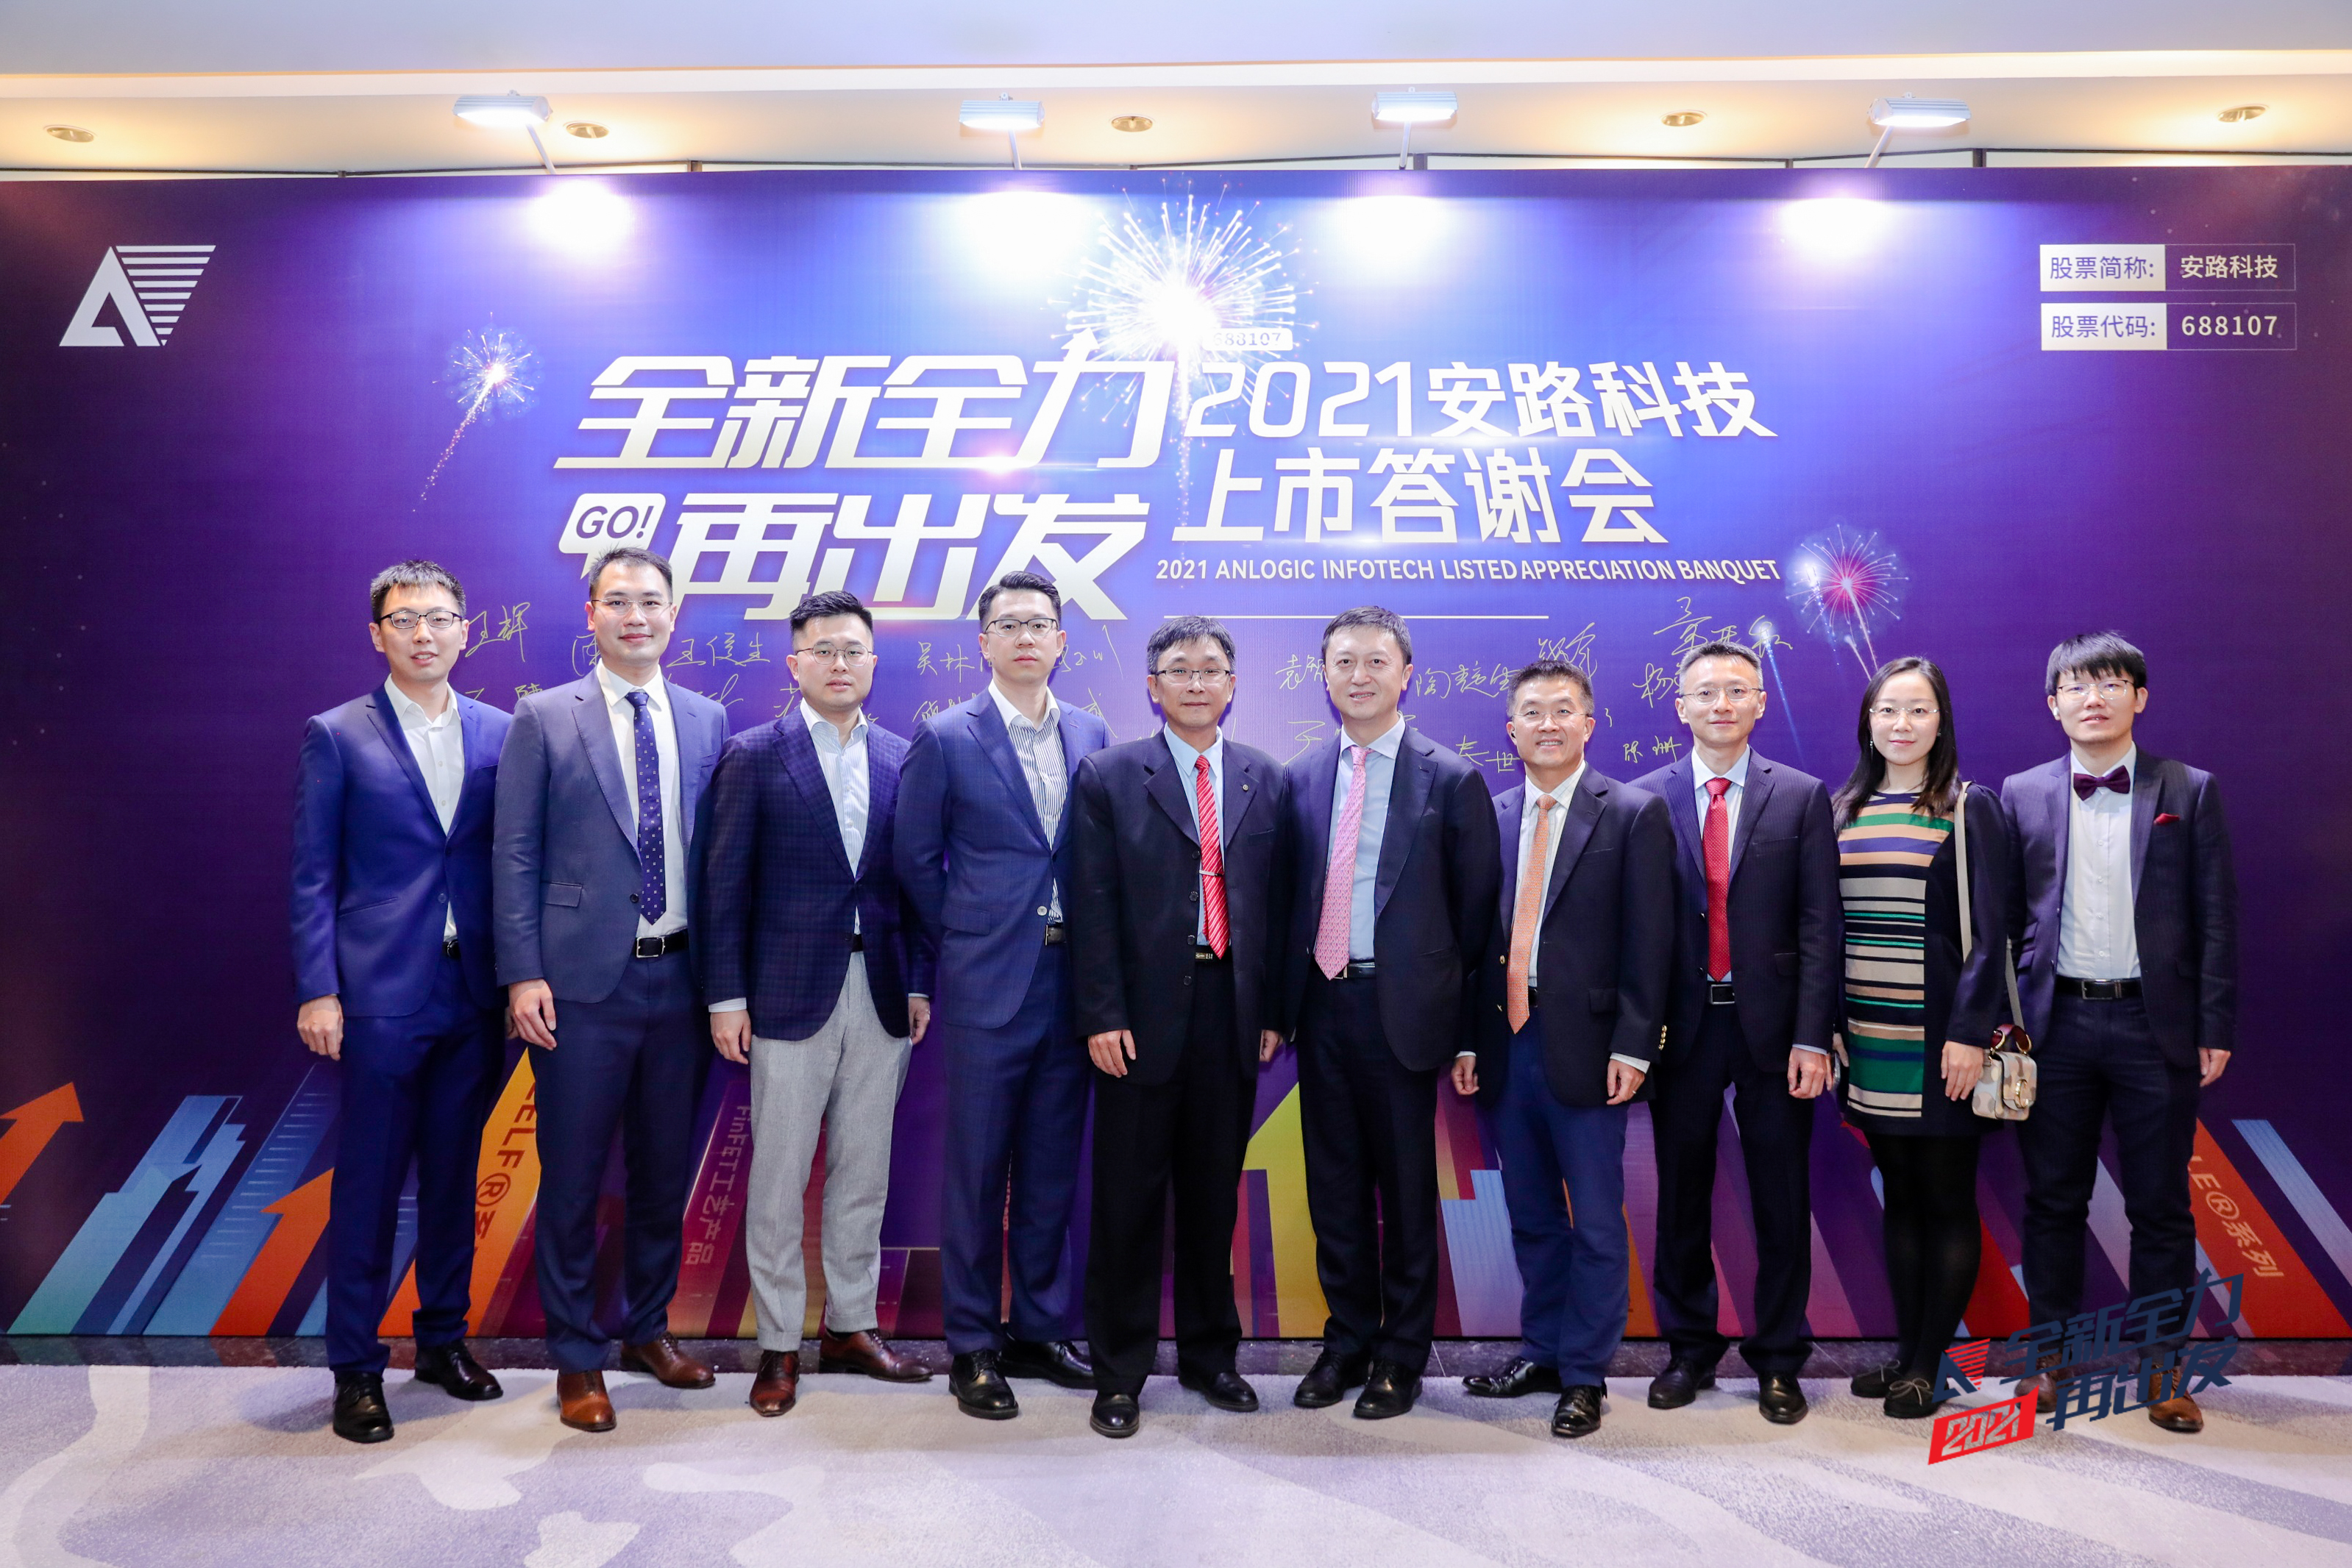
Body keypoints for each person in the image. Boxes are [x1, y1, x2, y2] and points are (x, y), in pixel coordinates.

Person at [493, 546, 730, 1433]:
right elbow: (514, 851)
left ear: (674, 613)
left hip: (682, 978)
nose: (638, 616)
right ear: (590, 611)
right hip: (579, 985)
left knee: (663, 1169)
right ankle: (575, 1354)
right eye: (619, 601)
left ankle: (647, 1328)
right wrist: (523, 971)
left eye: (652, 601)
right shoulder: (543, 715)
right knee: (572, 1174)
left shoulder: (706, 718)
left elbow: (715, 853)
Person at [698, 591, 935, 1418]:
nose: (840, 664)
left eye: (853, 650)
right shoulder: (753, 754)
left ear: (873, 662)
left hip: (881, 995)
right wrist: (726, 997)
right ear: (793, 662)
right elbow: (722, 885)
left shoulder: (904, 757)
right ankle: (777, 1344)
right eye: (823, 650)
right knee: (777, 1177)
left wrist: (917, 982)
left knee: (863, 1171)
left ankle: (850, 1325)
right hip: (784, 995)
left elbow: (915, 886)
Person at [292, 560, 511, 1444]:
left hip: (474, 989)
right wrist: (319, 987)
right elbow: (313, 874)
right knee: (371, 1185)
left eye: (440, 617)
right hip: (379, 993)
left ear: (466, 629)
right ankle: (355, 1367)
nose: (425, 632)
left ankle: (442, 1341)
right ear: (376, 633)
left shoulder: (503, 731)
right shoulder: (337, 733)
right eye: (405, 618)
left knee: (455, 1176)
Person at [2003, 632, 2237, 1435]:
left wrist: (2213, 1021)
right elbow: (2003, 919)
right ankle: (2049, 1358)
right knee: (2051, 1202)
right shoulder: (2020, 792)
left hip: (2153, 1025)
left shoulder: (2188, 788)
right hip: (2053, 1025)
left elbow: (2216, 916)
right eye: (2075, 685)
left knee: (2160, 1207)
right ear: (2052, 704)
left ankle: (2162, 1368)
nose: (2092, 697)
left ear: (2139, 696)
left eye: (2109, 683)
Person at [1067, 616, 1291, 1439]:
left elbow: (1281, 905)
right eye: (1178, 669)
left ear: (1232, 685)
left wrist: (1274, 1011)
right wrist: (1101, 1014)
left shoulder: (1265, 778)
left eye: (1210, 669)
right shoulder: (1108, 774)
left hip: (1231, 1012)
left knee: (1210, 1197)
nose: (1195, 682)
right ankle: (1119, 1371)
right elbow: (1089, 904)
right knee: (1126, 1202)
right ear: (1151, 686)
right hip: (1137, 1018)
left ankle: (1208, 1356)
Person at [897, 570, 1109, 1419]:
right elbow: (915, 859)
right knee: (977, 1173)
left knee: (1053, 1168)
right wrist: (966, 932)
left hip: (1071, 982)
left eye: (1040, 623)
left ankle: (1041, 1327)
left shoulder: (1089, 730)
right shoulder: (946, 734)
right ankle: (973, 1343)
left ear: (1061, 641)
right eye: (1009, 623)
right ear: (983, 641)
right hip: (987, 982)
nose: (1026, 636)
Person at [1279, 605, 1500, 1420]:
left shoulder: (1450, 777)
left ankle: (1400, 1355)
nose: (1359, 675)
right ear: (1324, 674)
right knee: (1333, 1186)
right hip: (1320, 1005)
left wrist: (1463, 1028)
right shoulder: (1301, 774)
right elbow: (1287, 900)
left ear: (1406, 673)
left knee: (1406, 1193)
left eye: (1376, 661)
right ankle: (1346, 1341)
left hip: (1404, 1010)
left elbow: (1475, 919)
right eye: (1343, 661)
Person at [1457, 660, 1673, 1439]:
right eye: (1531, 712)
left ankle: (1584, 1373)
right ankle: (1542, 1352)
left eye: (1561, 710)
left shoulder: (1633, 812)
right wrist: (1465, 1038)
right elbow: (1471, 940)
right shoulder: (1489, 813)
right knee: (1531, 1215)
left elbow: (1652, 941)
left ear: (1588, 722)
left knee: (1596, 1222)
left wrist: (1635, 1046)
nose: (1546, 724)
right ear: (1509, 728)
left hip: (1589, 1046)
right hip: (1505, 1043)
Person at [1633, 639, 1840, 1426]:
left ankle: (1779, 1358)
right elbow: (1636, 930)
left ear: (1759, 702)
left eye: (1736, 690)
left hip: (1774, 1031)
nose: (1720, 704)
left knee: (1780, 1199)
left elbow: (1820, 925)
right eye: (1705, 692)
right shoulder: (1643, 798)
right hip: (1681, 1029)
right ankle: (1688, 1349)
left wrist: (1812, 1035)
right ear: (1679, 706)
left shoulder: (1800, 795)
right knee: (1680, 1197)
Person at [1828, 658, 2012, 1419]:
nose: (1900, 724)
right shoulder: (1842, 808)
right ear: (1867, 723)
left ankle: (1929, 1363)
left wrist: (1968, 1033)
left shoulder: (1968, 808)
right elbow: (1823, 927)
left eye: (1917, 710)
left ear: (1940, 722)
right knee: (1898, 1196)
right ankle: (1906, 1353)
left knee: (1943, 1198)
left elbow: (1994, 933)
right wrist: (1828, 1026)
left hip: (1941, 1045)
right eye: (1886, 711)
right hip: (1867, 1039)